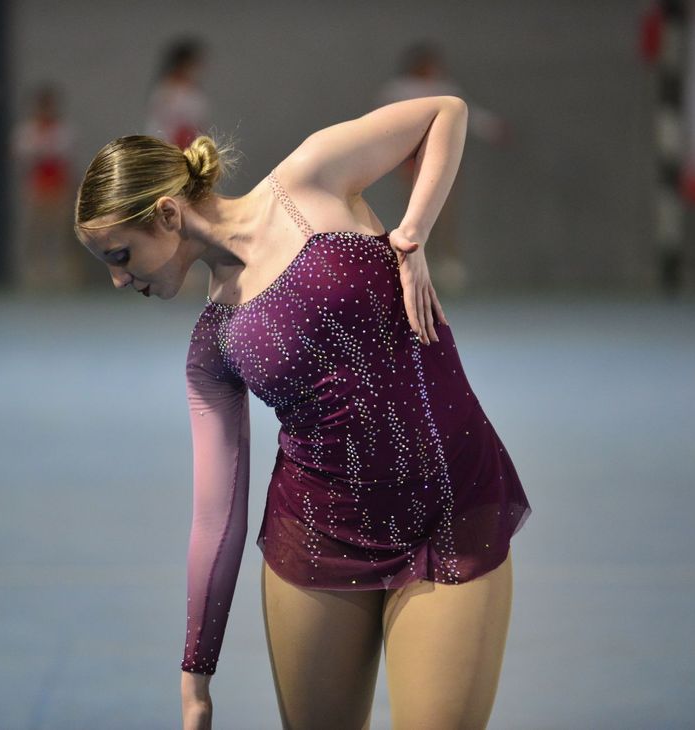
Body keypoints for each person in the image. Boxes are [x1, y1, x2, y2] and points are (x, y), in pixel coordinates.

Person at [75, 96, 532, 729]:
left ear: (168, 213)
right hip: (316, 543)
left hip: (449, 508)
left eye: (120, 258)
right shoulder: (213, 345)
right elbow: (216, 515)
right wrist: (195, 679)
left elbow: (445, 114)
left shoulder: (307, 178)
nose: (120, 283)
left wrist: (414, 232)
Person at [378, 42, 510, 295]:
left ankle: (446, 263)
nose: (433, 69)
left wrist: (493, 128)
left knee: (443, 210)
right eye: (428, 64)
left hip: (437, 158)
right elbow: (381, 123)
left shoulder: (443, 88)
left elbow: (466, 112)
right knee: (415, 210)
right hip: (409, 158)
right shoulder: (398, 89)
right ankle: (410, 261)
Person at [143, 37, 213, 300]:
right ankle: (165, 267)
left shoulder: (195, 93)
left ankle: (191, 268)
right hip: (172, 160)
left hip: (192, 159)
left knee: (194, 214)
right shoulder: (166, 92)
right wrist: (162, 161)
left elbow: (200, 127)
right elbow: (157, 127)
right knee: (169, 215)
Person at [13, 84, 79, 289]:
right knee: (37, 227)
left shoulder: (64, 131)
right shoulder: (27, 132)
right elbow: (23, 161)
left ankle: (58, 268)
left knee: (58, 229)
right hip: (37, 185)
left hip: (58, 184)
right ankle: (35, 269)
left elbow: (68, 162)